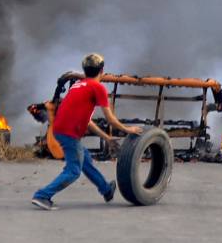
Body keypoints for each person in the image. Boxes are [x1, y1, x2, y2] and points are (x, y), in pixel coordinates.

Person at [32, 53, 142, 210]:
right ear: (102, 71)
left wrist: (107, 138)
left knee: (85, 162)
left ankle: (106, 190)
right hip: (69, 133)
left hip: (60, 129)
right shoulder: (98, 88)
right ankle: (42, 196)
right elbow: (110, 119)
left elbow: (87, 122)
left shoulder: (79, 84)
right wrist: (127, 129)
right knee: (73, 171)